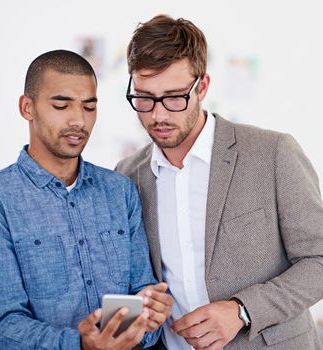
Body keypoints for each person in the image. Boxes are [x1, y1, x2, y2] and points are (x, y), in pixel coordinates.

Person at [116, 14, 323, 350]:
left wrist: (243, 310)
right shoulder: (127, 175)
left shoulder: (273, 153)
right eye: (144, 97)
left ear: (203, 86)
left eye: (174, 97)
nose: (158, 115)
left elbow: (319, 260)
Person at [0, 49, 173, 350]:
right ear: (27, 107)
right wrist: (79, 344)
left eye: (89, 107)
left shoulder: (121, 191)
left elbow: (142, 291)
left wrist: (150, 315)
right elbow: (4, 325)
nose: (78, 120)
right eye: (61, 105)